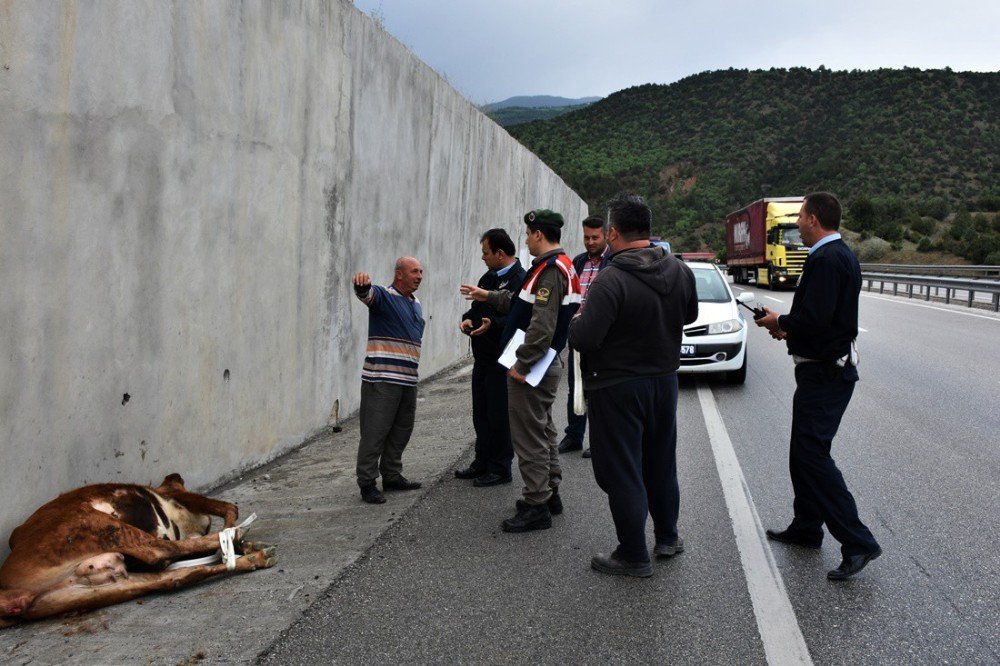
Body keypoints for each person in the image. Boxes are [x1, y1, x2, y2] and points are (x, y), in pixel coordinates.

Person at [568, 193, 698, 577]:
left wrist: (577, 320)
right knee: (660, 462)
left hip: (618, 386)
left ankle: (632, 553)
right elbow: (688, 314)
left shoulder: (612, 279)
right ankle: (668, 537)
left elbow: (585, 338)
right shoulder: (679, 270)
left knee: (622, 469)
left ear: (613, 232)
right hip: (664, 381)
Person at [755, 192, 882, 581]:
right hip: (822, 369)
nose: (797, 224)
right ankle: (807, 527)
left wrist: (782, 321)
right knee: (803, 452)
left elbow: (816, 317)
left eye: (801, 217)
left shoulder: (827, 259)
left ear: (813, 219)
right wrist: (786, 329)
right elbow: (821, 321)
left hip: (827, 374)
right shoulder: (837, 254)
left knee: (812, 457)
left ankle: (858, 541)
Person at [460, 209, 581, 533]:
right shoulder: (556, 266)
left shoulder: (551, 270)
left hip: (534, 365)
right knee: (543, 431)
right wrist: (487, 296)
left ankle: (536, 503)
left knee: (529, 437)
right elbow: (519, 304)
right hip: (541, 363)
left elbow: (542, 325)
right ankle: (549, 492)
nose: (525, 240)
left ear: (538, 234)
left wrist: (522, 364)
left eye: (528, 234)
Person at [351, 257, 426, 505]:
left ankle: (392, 475)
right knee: (375, 432)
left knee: (402, 430)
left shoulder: (416, 304)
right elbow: (367, 295)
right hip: (382, 379)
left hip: (407, 380)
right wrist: (362, 286)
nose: (419, 275)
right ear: (399, 274)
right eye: (414, 271)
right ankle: (367, 483)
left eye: (421, 272)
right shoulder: (385, 296)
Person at [456, 229, 526, 487]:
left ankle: (500, 467)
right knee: (481, 412)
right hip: (482, 358)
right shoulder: (488, 277)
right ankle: (482, 460)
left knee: (499, 415)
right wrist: (467, 319)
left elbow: (520, 318)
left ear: (499, 253)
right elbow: (477, 307)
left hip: (502, 359)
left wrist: (492, 324)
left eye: (486, 252)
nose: (482, 257)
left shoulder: (520, 279)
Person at [559, 215, 611, 459]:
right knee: (575, 387)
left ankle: (600, 441)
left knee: (600, 389)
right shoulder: (578, 262)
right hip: (578, 335)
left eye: (595, 237)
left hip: (603, 337)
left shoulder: (614, 262)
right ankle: (574, 435)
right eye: (586, 237)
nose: (590, 242)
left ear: (607, 235)